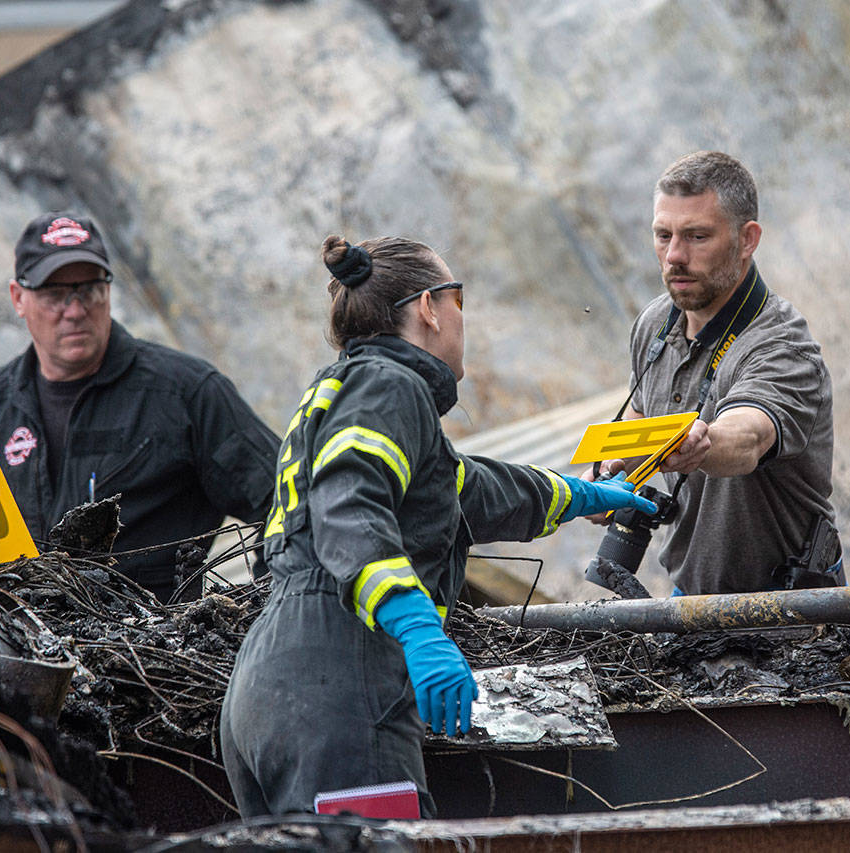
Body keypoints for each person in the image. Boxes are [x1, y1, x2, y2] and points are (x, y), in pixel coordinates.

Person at [220, 234, 656, 817]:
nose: (460, 320)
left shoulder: (347, 388)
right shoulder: (389, 387)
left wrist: (585, 494)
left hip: (270, 687)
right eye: (458, 302)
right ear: (429, 307)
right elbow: (349, 507)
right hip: (342, 685)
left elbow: (466, 490)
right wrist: (419, 629)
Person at [0, 211, 281, 601]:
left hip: (151, 653)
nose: (74, 311)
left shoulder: (185, 394)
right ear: (18, 299)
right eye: (55, 295)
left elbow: (286, 499)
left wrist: (262, 610)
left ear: (108, 291)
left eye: (88, 289)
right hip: (15, 651)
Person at [595, 151, 843, 595]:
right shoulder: (654, 323)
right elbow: (639, 412)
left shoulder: (782, 344)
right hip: (690, 597)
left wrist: (700, 444)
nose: (674, 256)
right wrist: (613, 474)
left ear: (747, 240)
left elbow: (748, 437)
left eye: (696, 237)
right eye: (663, 235)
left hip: (789, 612)